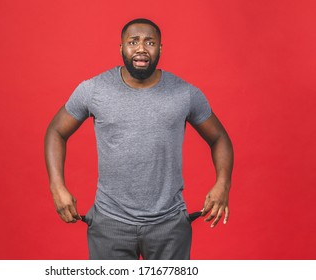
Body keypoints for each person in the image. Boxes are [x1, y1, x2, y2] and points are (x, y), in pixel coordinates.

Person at [44, 18, 234, 260]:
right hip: (110, 224)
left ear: (160, 49)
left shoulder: (184, 93)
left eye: (150, 42)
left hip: (169, 225)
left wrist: (223, 184)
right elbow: (56, 131)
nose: (142, 48)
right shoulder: (94, 90)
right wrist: (57, 186)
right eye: (133, 42)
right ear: (121, 48)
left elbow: (219, 137)